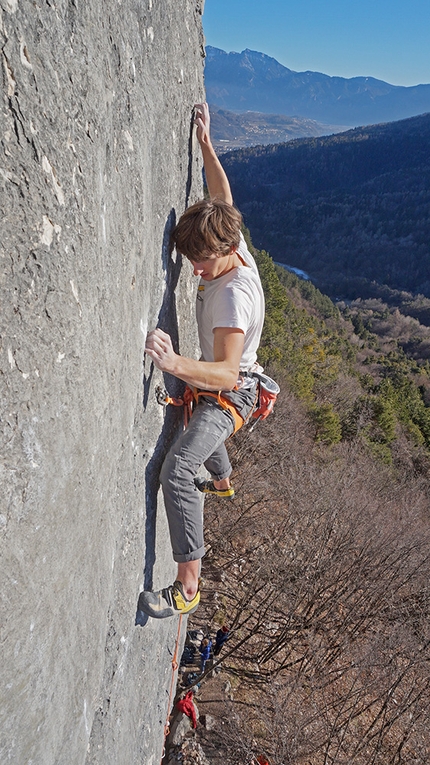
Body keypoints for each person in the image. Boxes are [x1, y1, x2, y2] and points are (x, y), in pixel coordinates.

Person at [138, 103, 265, 619]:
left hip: (231, 390)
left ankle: (187, 587)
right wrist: (207, 145)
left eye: (201, 261)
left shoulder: (234, 296)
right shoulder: (232, 242)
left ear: (226, 251)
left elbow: (228, 374)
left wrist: (174, 362)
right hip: (227, 379)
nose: (194, 270)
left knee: (177, 466)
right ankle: (223, 480)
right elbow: (222, 198)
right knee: (202, 446)